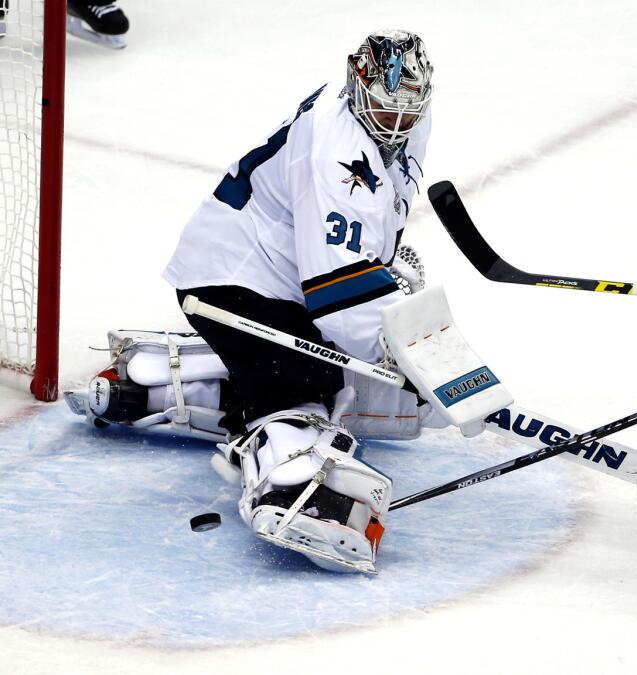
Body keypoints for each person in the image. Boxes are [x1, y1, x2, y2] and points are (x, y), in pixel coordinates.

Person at [65, 31, 443, 574]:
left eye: (409, 112)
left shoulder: (404, 120)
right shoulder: (337, 151)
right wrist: (396, 353)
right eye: (385, 111)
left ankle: (179, 380)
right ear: (358, 90)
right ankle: (285, 483)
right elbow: (338, 292)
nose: (398, 124)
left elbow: (355, 230)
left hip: (281, 277)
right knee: (312, 397)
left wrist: (379, 264)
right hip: (229, 285)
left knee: (369, 393)